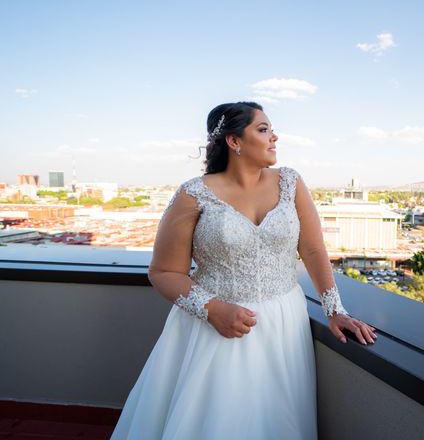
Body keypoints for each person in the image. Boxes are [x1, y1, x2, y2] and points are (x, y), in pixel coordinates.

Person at [111, 101, 377, 439]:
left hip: (284, 322)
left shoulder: (291, 182)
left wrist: (335, 310)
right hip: (215, 328)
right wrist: (213, 310)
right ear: (234, 142)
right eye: (263, 129)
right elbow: (163, 272)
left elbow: (311, 249)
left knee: (277, 420)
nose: (274, 136)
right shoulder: (193, 194)